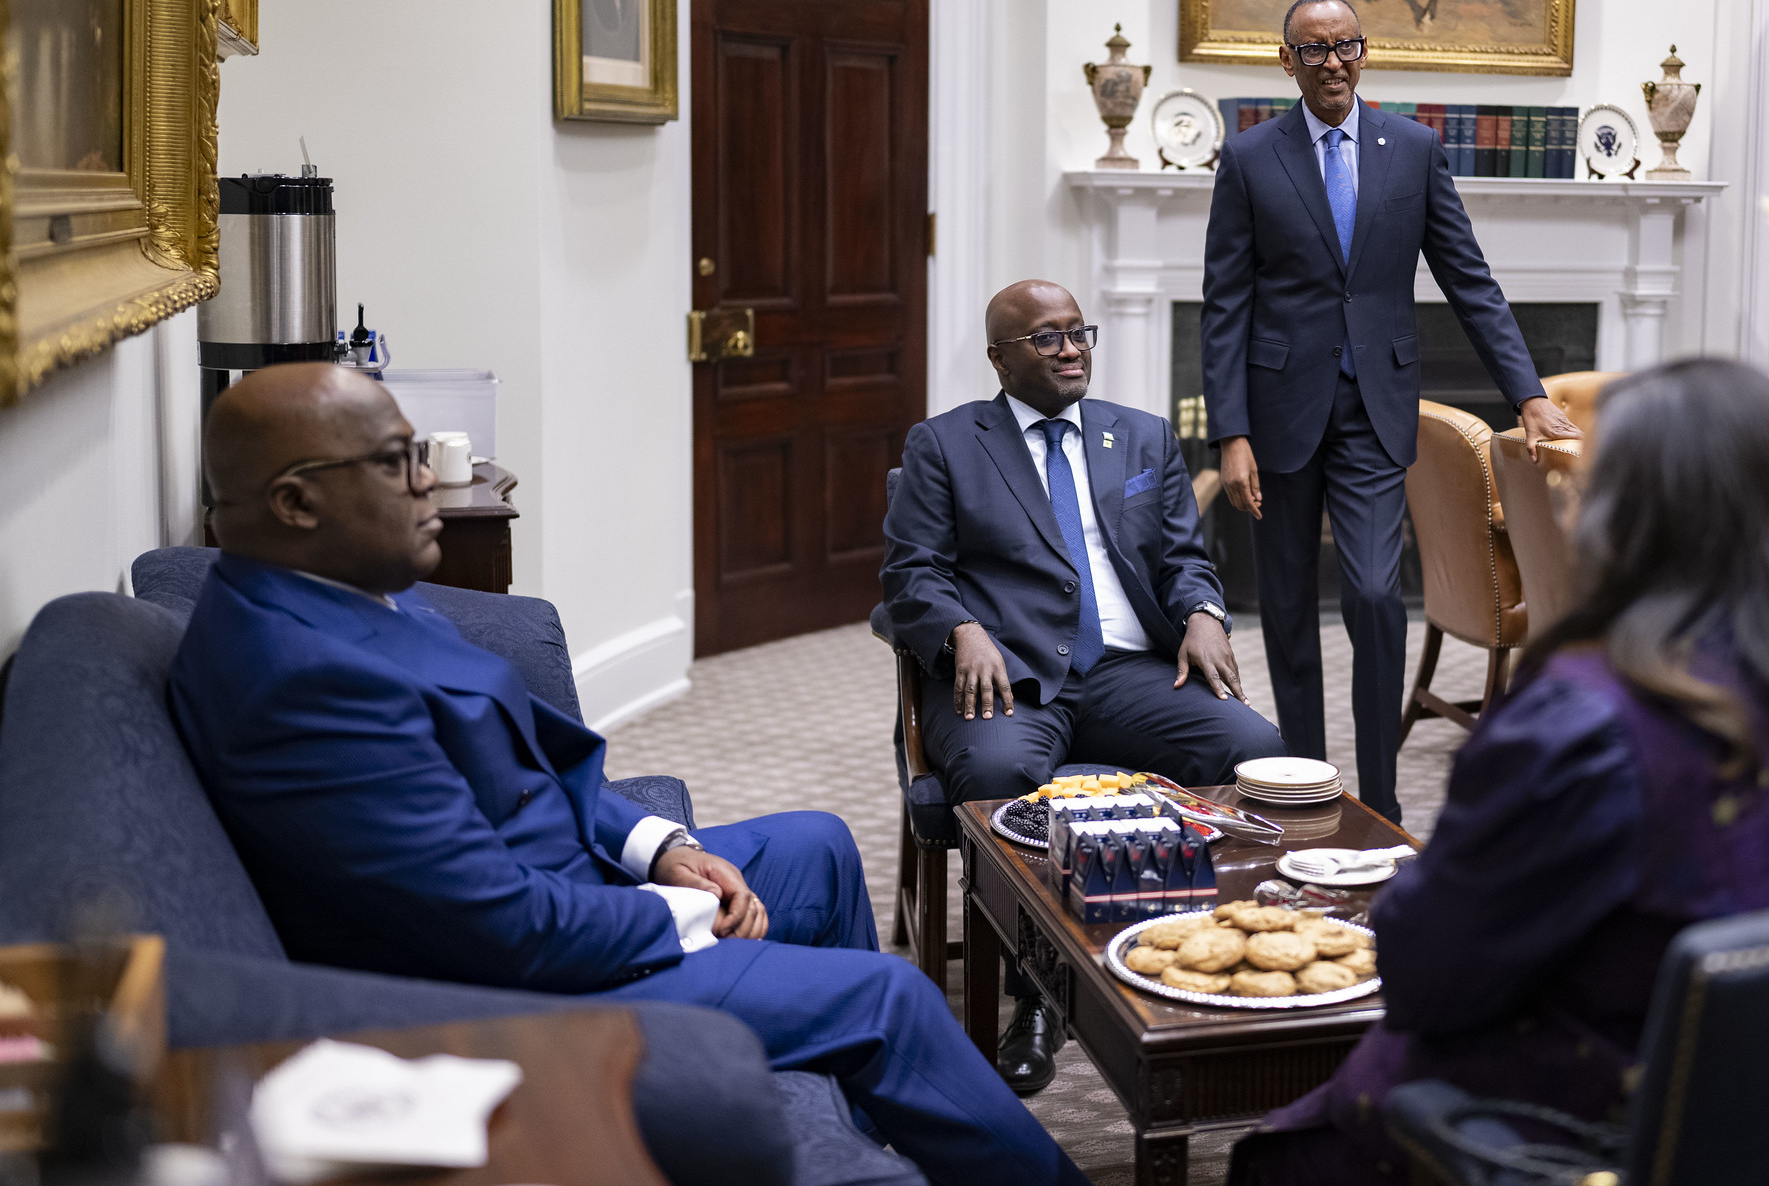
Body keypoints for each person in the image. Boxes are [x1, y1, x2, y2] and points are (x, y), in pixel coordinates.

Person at [170, 363, 1087, 1186]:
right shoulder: (300, 684)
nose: (426, 480)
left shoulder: (336, 586)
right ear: (295, 501)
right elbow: (495, 927)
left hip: (562, 880)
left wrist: (659, 844)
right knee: (891, 996)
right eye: (393, 460)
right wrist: (680, 912)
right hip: (522, 990)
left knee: (818, 843)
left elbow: (536, 756)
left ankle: (849, 1131)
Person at [1227, 359, 1769, 1184]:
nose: (1569, 507)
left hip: (1590, 1128)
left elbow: (1425, 974)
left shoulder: (1580, 723)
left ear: (1621, 520)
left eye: (1583, 488)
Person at [882, 279, 1290, 1092]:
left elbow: (1182, 558)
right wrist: (961, 628)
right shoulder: (945, 444)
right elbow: (910, 573)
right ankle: (1035, 994)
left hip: (1129, 671)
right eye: (1046, 337)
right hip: (1009, 676)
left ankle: (1202, 952)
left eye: (1078, 331)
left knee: (1253, 746)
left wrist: (1204, 610)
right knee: (998, 773)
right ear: (999, 358)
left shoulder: (1140, 435)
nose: (1070, 349)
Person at [1200, 0, 1578, 820]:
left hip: (1376, 409)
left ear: (1364, 52)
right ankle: (1302, 786)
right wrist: (1230, 433)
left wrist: (1528, 394)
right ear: (1286, 60)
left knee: (1374, 594)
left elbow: (1469, 280)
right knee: (1287, 607)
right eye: (1313, 49)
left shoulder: (1413, 148)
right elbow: (1224, 304)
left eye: (1346, 46)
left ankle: (1379, 803)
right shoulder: (1251, 158)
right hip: (1277, 412)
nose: (1332, 62)